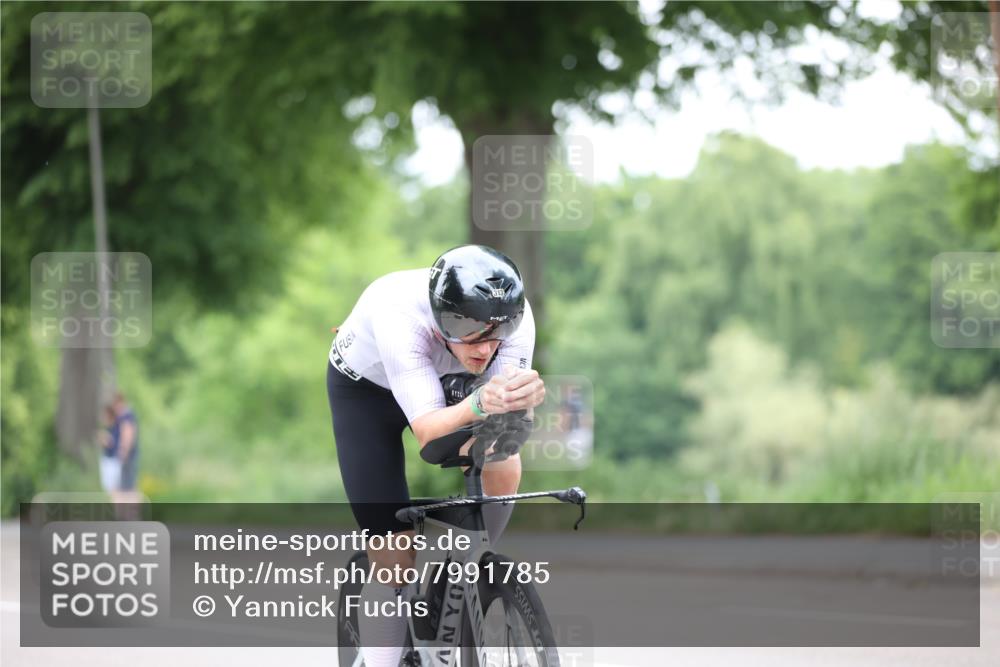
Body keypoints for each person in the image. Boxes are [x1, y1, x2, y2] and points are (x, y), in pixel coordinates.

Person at [326, 245, 545, 667]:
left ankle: (468, 574)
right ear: (443, 317)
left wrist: (521, 403)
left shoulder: (514, 317)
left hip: (451, 381)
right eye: (470, 332)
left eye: (495, 333)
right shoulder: (399, 314)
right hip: (368, 393)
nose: (484, 347)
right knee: (394, 554)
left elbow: (507, 424)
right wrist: (483, 402)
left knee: (503, 454)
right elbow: (428, 434)